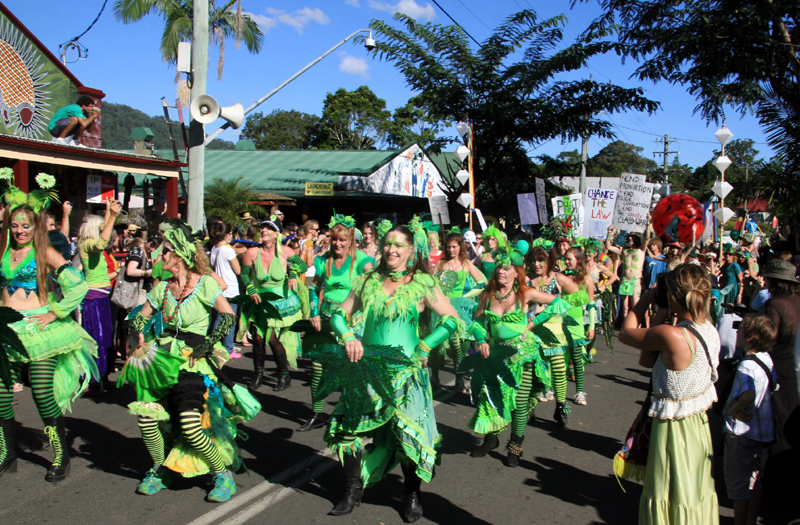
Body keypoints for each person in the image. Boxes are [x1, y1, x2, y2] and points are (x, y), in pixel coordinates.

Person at [320, 220, 461, 522]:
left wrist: (426, 346)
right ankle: (352, 490)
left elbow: (450, 319)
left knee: (409, 436)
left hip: (407, 373)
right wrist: (346, 336)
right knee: (348, 431)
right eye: (387, 244)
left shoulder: (422, 282)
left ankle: (411, 495)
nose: (391, 249)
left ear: (411, 250)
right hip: (368, 370)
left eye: (398, 245)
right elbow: (337, 314)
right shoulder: (367, 280)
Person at [119, 226, 242, 502]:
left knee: (190, 424)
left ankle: (222, 474)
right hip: (160, 358)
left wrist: (207, 345)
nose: (160, 257)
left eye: (165, 252)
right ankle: (161, 469)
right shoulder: (162, 287)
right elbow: (141, 317)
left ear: (180, 257)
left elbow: (227, 316)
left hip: (191, 361)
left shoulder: (204, 283)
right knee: (147, 419)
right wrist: (135, 333)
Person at [0, 174, 99, 481]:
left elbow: (77, 286)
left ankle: (60, 454)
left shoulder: (44, 252)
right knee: (1, 397)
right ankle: (7, 453)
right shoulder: (2, 250)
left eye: (26, 226)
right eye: (15, 225)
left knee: (42, 394)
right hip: (6, 331)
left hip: (40, 332)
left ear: (36, 227)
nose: (19, 231)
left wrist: (54, 313)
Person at [620, 264, 720, 525]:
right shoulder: (709, 328)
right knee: (691, 490)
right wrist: (663, 315)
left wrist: (645, 299)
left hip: (673, 428)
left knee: (668, 490)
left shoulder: (672, 335)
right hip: (697, 425)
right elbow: (646, 361)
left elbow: (626, 334)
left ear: (674, 296)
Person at [468, 246, 571, 466]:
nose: (501, 272)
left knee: (520, 402)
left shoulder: (526, 292)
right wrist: (482, 339)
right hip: (496, 356)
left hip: (523, 355)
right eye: (499, 268)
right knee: (491, 397)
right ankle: (491, 439)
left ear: (517, 272)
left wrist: (533, 323)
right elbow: (477, 322)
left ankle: (515, 447)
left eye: (507, 269)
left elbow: (558, 303)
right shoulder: (488, 294)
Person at [302, 213, 374, 432]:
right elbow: (313, 288)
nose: (338, 243)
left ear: (351, 240)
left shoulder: (363, 261)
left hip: (352, 323)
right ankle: (317, 413)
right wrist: (314, 311)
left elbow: (374, 289)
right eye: (334, 239)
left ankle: (348, 412)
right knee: (317, 367)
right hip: (325, 320)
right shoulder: (322, 261)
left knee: (349, 368)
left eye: (343, 239)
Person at [240, 220, 308, 392]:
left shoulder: (285, 251)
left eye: (269, 228)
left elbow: (302, 264)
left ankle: (283, 375)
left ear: (276, 234)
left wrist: (293, 273)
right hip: (261, 301)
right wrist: (249, 287)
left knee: (270, 339)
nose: (264, 230)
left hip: (281, 301)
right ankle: (259, 374)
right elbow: (244, 273)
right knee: (258, 338)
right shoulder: (252, 252)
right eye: (262, 228)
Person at [723, 314, 778, 525]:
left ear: (751, 337)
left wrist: (735, 409)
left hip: (740, 433)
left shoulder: (746, 366)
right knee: (755, 482)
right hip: (761, 432)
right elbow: (775, 385)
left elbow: (748, 394)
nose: (736, 333)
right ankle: (751, 521)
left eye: (741, 330)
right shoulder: (766, 360)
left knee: (738, 487)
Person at [525, 245, 579, 420]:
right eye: (534, 261)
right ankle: (530, 404)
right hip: (532, 333)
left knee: (558, 371)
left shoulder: (558, 278)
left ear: (549, 261)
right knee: (532, 372)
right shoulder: (526, 279)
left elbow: (578, 295)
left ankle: (561, 408)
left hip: (555, 332)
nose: (537, 264)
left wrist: (564, 309)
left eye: (541, 260)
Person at [431, 230, 487, 391]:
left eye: (454, 247)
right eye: (448, 247)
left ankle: (459, 378)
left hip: (458, 309)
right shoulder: (441, 264)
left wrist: (468, 297)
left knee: (456, 344)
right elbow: (432, 283)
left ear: (460, 247)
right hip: (440, 308)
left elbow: (482, 283)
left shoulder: (466, 264)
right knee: (436, 344)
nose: (451, 250)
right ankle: (434, 377)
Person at [78, 200, 123, 395]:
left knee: (105, 339)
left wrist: (108, 212)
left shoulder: (92, 245)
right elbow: (102, 241)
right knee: (97, 339)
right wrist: (112, 216)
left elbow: (105, 233)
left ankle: (101, 377)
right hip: (94, 298)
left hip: (101, 295)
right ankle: (94, 379)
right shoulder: (88, 244)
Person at [760, 259, 800, 450]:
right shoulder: (796, 301)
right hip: (795, 365)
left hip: (781, 367)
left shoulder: (775, 304)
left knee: (781, 422)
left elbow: (768, 338)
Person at [562, 247, 595, 406]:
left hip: (577, 324)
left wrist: (592, 326)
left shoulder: (587, 279)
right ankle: (554, 389)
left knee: (577, 359)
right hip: (560, 323)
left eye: (570, 259)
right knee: (560, 359)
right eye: (565, 259)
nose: (567, 262)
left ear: (578, 260)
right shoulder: (561, 276)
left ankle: (580, 392)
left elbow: (591, 304)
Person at [209, 223, 241, 358]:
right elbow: (238, 270)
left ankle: (212, 344)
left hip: (219, 287)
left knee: (217, 318)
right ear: (228, 234)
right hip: (231, 288)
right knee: (230, 319)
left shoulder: (214, 248)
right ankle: (228, 348)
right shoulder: (228, 250)